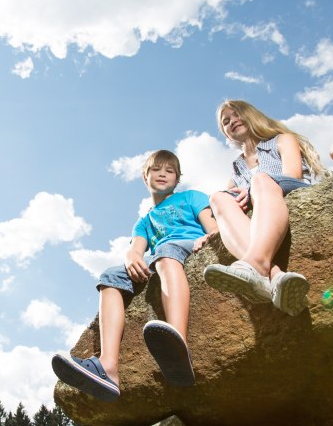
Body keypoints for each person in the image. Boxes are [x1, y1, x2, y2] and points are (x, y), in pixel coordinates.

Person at [52, 150, 218, 402]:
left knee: (164, 250)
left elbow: (212, 226)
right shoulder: (144, 220)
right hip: (158, 256)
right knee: (110, 276)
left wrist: (210, 236)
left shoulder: (191, 197)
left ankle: (178, 345)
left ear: (177, 178)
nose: (162, 174)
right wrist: (131, 257)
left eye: (169, 171)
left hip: (187, 244)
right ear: (145, 176)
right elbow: (136, 249)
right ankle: (107, 368)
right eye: (156, 169)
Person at [203, 100, 327, 316]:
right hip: (258, 199)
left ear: (251, 115)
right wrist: (211, 231)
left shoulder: (281, 140)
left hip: (284, 189)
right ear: (226, 133)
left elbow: (293, 175)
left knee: (260, 179)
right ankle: (275, 276)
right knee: (217, 198)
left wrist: (251, 187)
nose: (232, 122)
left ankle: (256, 265)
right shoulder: (237, 167)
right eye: (226, 122)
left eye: (236, 115)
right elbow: (226, 206)